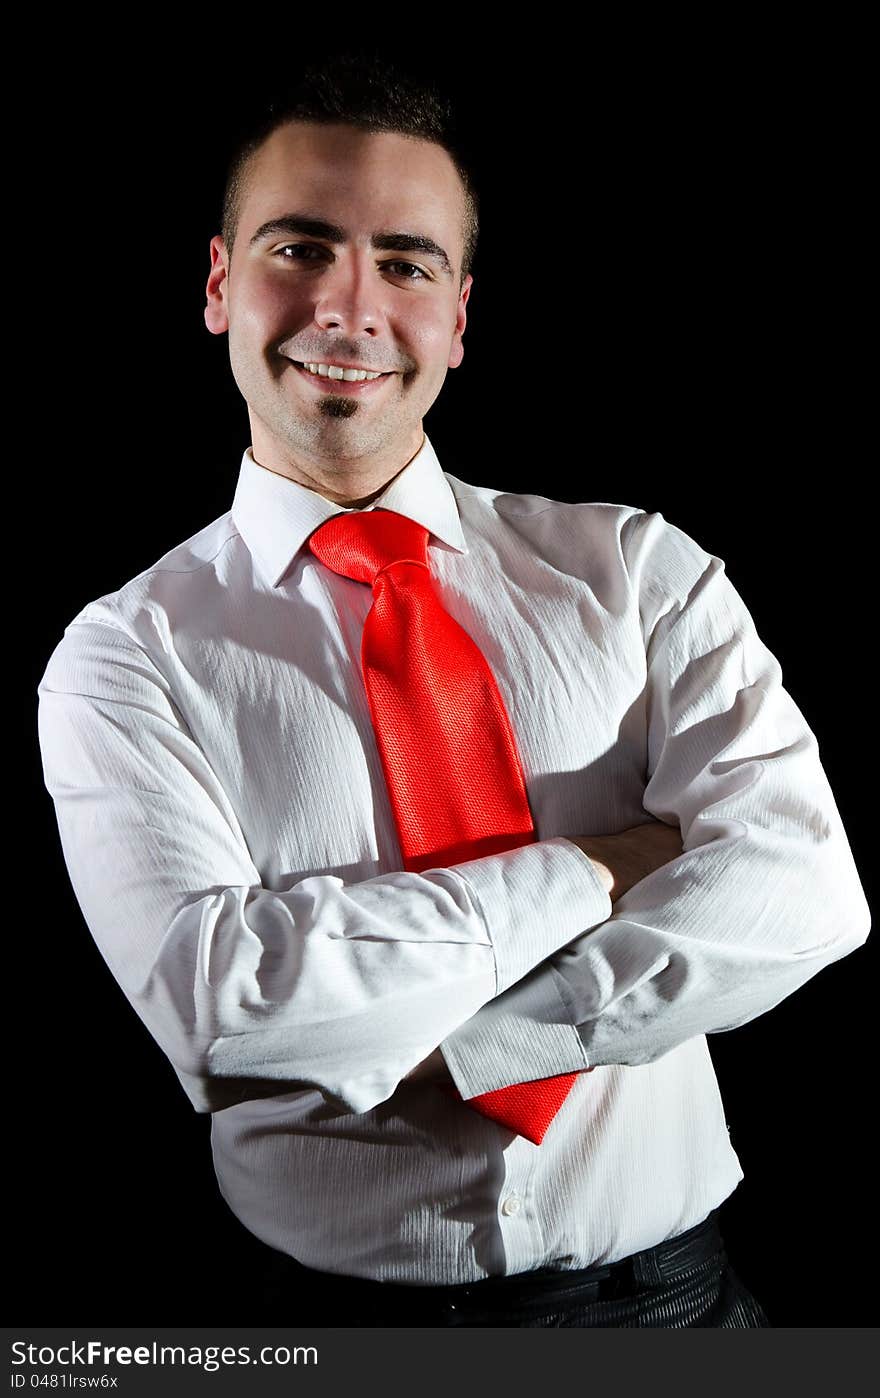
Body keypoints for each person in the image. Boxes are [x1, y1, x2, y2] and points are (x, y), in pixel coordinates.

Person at [36, 52, 870, 1328]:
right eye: (298, 248)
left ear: (459, 316)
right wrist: (597, 867)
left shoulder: (638, 572)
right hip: (325, 1329)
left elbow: (802, 890)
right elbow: (226, 1011)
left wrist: (479, 1043)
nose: (349, 307)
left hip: (674, 1314)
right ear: (218, 283)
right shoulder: (124, 656)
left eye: (406, 264)